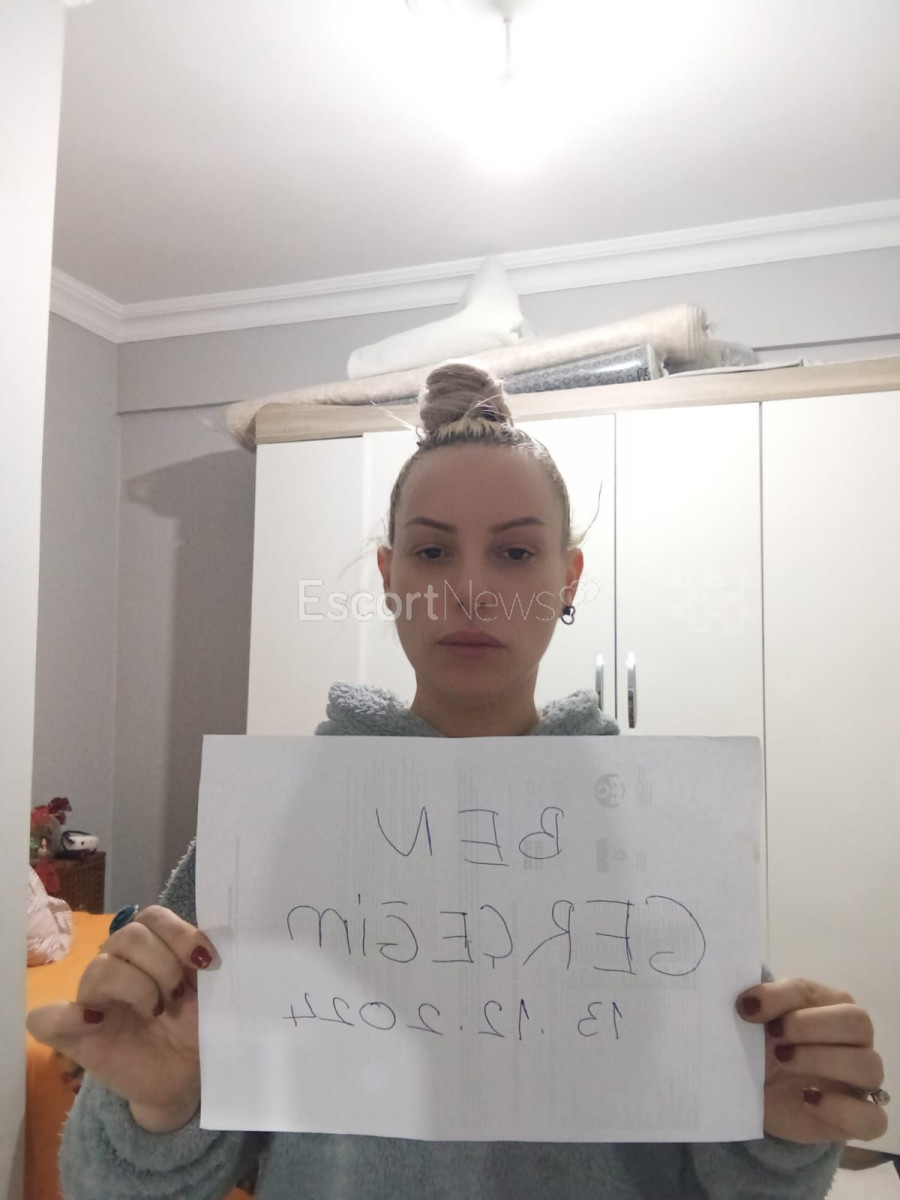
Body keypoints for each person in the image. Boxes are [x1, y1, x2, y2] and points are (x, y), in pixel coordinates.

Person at [28, 362, 888, 1199]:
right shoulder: (273, 823)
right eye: (433, 551)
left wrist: (779, 1132)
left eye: (515, 551)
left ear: (567, 580)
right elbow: (110, 1184)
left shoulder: (656, 827)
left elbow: (736, 1165)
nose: (471, 591)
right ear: (389, 579)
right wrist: (161, 1105)